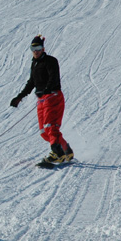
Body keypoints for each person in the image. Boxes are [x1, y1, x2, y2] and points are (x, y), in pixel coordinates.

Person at [10, 35, 74, 164]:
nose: (36, 51)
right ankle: (66, 149)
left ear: (43, 48)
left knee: (51, 127)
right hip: (41, 100)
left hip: (53, 96)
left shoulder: (51, 61)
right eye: (33, 48)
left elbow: (53, 77)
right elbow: (32, 82)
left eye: (38, 48)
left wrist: (47, 89)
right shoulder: (34, 63)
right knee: (44, 132)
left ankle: (57, 153)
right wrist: (20, 97)